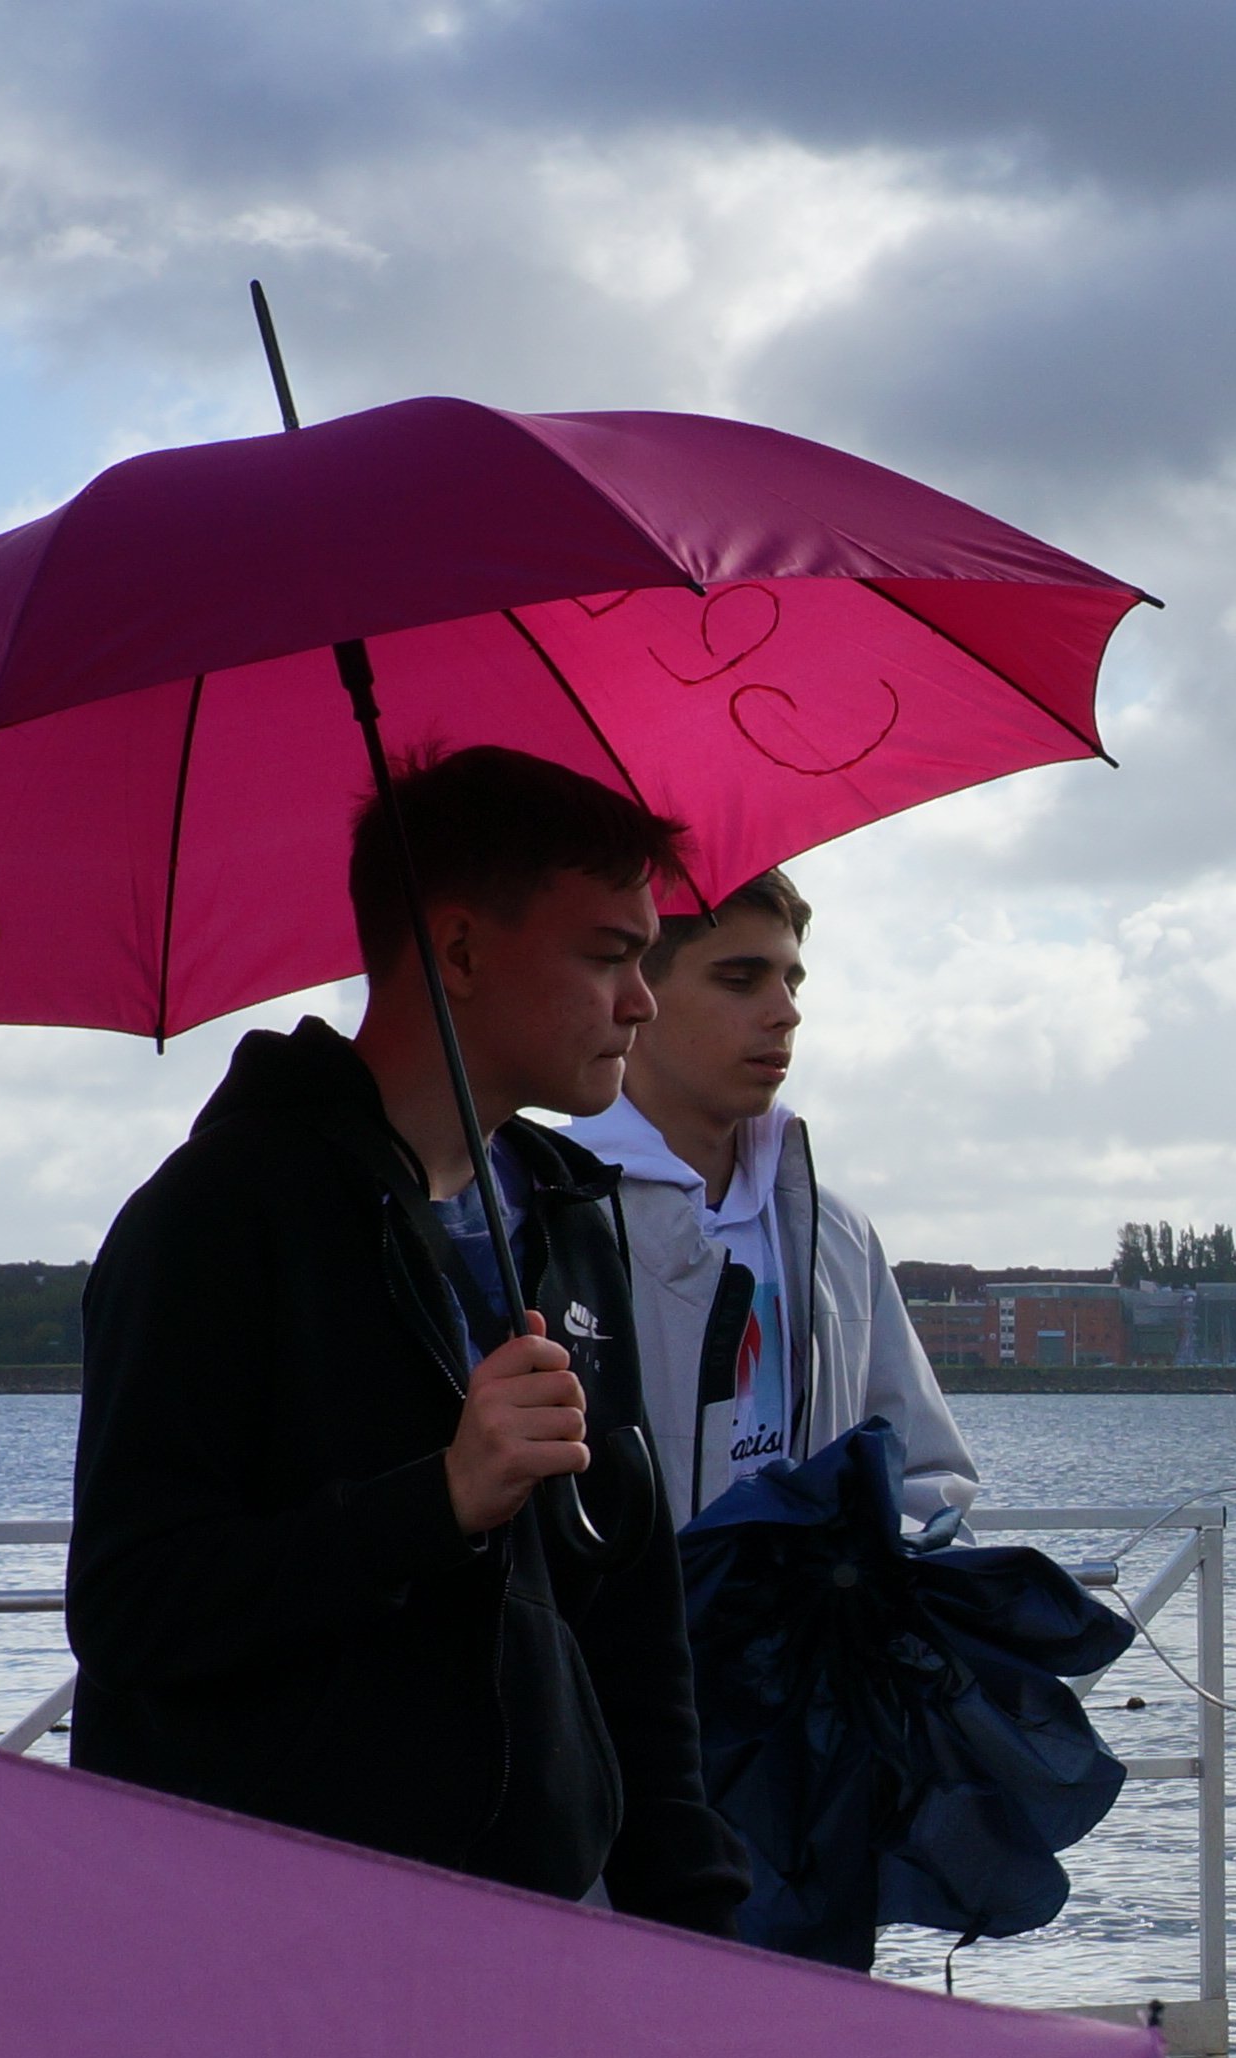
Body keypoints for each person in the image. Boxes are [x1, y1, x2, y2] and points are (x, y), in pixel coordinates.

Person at [66, 745, 744, 1933]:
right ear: (464, 952)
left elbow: (632, 1617)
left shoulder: (572, 1217)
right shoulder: (217, 1215)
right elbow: (133, 1607)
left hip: (542, 1933)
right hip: (274, 1941)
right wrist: (435, 1499)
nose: (641, 999)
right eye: (609, 955)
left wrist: (698, 1928)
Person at [562, 862, 978, 1530]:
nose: (786, 1012)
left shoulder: (837, 1231)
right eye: (740, 979)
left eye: (791, 979)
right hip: (639, 1635)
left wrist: (867, 1593)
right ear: (636, 988)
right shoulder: (542, 1215)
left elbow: (926, 1479)